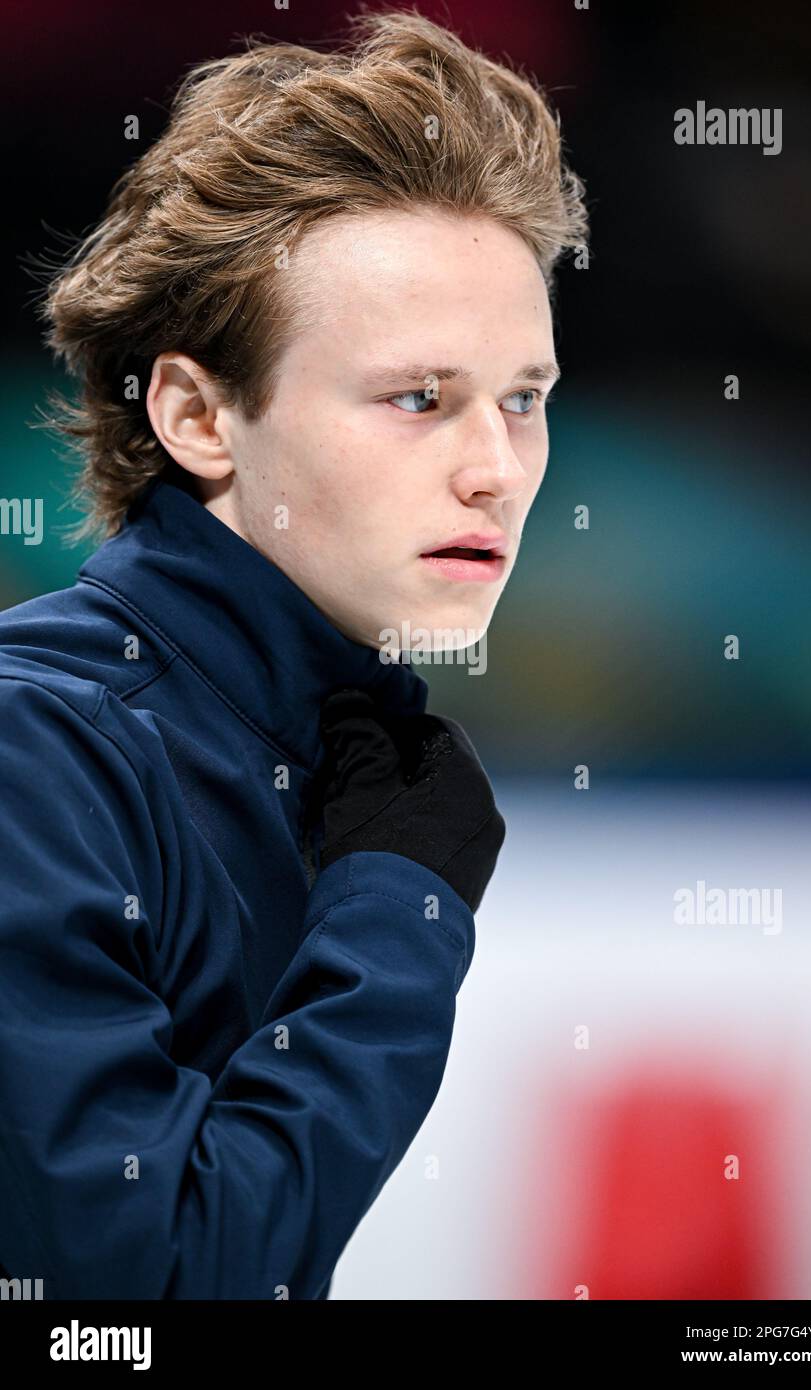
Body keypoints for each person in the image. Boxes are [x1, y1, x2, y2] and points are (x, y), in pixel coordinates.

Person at [0, 10, 588, 1298]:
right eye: (418, 398)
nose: (497, 470)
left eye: (524, 400)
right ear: (199, 414)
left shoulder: (328, 758)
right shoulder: (31, 752)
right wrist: (393, 920)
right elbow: (137, 1308)